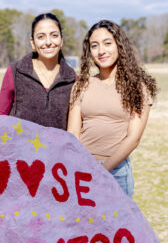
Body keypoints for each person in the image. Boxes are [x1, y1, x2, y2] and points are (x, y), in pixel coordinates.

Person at [67, 20, 157, 197]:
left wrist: (103, 170)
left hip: (116, 172)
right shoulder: (81, 85)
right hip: (82, 168)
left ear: (119, 45)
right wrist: (82, 166)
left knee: (116, 225)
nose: (101, 51)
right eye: (95, 46)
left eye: (107, 43)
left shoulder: (138, 87)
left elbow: (133, 138)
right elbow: (72, 133)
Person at [0, 12, 76, 129]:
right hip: (18, 146)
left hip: (56, 147)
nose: (48, 42)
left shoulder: (72, 79)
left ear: (61, 40)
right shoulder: (15, 72)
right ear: (33, 42)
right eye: (41, 37)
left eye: (54, 35)